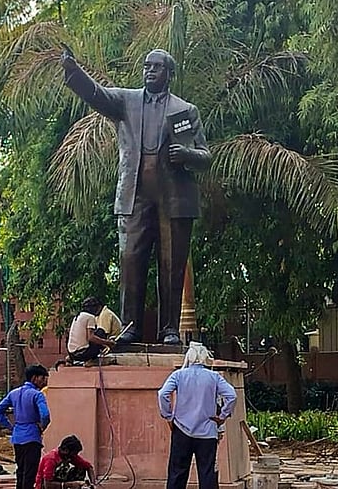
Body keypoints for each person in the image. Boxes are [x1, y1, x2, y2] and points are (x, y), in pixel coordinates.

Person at [62, 47, 212, 345]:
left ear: (170, 74)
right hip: (135, 196)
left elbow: (205, 157)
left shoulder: (185, 110)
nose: (150, 71)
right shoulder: (126, 101)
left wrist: (187, 154)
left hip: (174, 200)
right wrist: (74, 71)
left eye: (156, 67)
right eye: (147, 66)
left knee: (171, 267)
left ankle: (169, 329)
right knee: (131, 262)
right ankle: (130, 326)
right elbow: (97, 94)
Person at [157, 342, 237, 489]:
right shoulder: (214, 377)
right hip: (207, 432)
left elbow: (163, 394)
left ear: (189, 357)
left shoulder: (178, 375)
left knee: (177, 473)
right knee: (207, 473)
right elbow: (232, 395)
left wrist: (168, 416)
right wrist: (223, 416)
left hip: (181, 430)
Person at [0, 364, 51, 489]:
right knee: (30, 472)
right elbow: (45, 415)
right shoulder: (37, 394)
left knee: (20, 470)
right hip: (32, 436)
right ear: (34, 378)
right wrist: (42, 427)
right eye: (42, 378)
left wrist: (10, 427)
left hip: (17, 437)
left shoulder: (13, 393)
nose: (44, 382)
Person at [67, 297, 116, 364]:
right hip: (83, 354)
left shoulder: (78, 316)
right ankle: (90, 360)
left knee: (97, 332)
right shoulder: (90, 317)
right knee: (101, 332)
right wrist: (107, 343)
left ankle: (70, 359)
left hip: (72, 354)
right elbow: (91, 338)